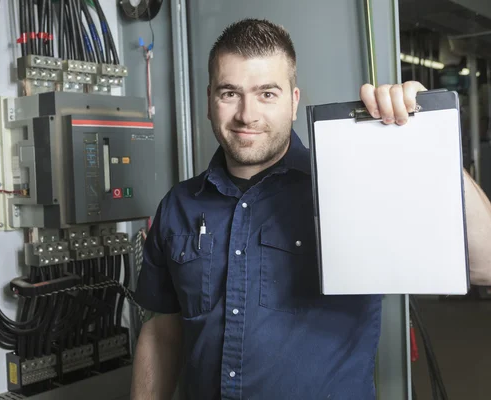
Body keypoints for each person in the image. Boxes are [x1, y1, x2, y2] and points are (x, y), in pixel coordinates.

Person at [130, 18, 491, 400]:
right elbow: (162, 333)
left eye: (267, 93)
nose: (246, 114)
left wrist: (427, 141)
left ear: (293, 101)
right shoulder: (180, 205)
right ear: (209, 101)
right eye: (229, 93)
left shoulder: (354, 186)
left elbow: (486, 264)